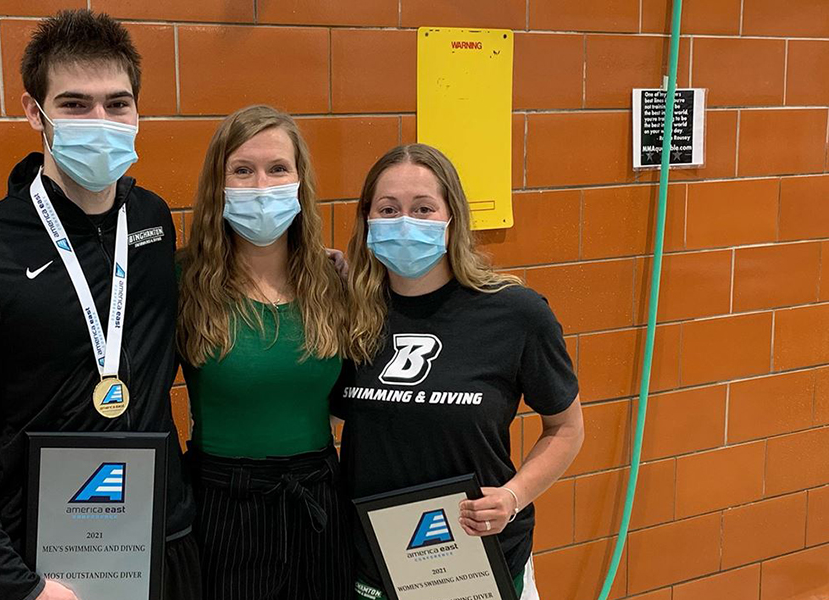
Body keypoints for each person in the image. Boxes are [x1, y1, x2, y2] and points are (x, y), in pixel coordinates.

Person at [0, 10, 200, 600]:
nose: (101, 120)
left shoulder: (152, 223)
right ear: (33, 112)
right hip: (44, 567)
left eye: (117, 104)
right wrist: (17, 586)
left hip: (165, 542)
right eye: (75, 104)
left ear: (138, 111)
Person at [335, 144, 585, 600]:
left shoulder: (515, 313)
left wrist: (512, 497)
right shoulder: (349, 312)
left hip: (481, 559)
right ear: (367, 220)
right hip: (376, 563)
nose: (405, 221)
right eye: (388, 209)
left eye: (424, 208)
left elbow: (566, 429)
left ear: (453, 219)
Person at [176, 105, 353, 600]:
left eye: (278, 168)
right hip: (222, 502)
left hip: (318, 496)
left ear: (300, 180)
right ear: (219, 183)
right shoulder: (183, 281)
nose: (261, 185)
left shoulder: (332, 281)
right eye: (242, 170)